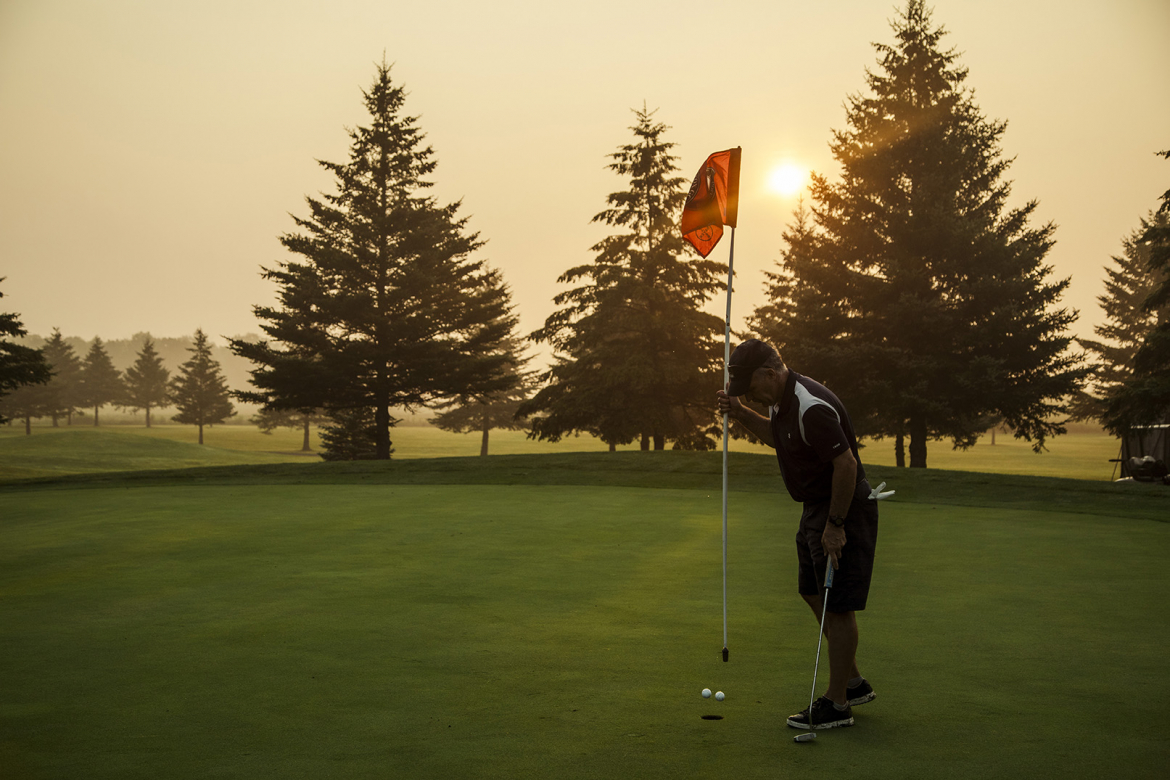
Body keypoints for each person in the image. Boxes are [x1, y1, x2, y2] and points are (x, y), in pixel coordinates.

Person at [716, 338, 880, 731]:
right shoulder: (781, 400)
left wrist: (836, 526)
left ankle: (837, 704)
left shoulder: (811, 406)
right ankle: (853, 682)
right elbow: (781, 440)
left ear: (770, 373)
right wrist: (739, 414)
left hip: (842, 508)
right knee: (811, 591)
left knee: (837, 605)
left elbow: (846, 465)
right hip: (814, 508)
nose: (752, 398)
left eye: (752, 390)